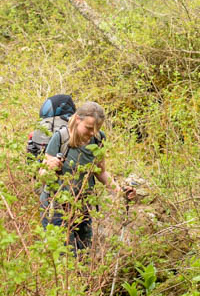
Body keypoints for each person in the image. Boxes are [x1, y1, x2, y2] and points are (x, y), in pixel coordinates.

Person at [38, 101, 132, 253]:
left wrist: (120, 191)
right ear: (77, 120)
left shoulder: (99, 139)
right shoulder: (60, 138)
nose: (93, 133)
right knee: (64, 255)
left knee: (84, 255)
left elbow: (100, 172)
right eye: (89, 128)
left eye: (97, 129)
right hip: (56, 206)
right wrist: (50, 167)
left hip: (83, 206)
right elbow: (42, 176)